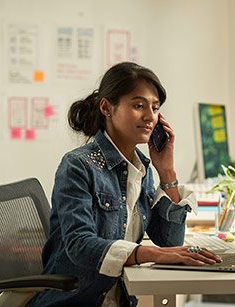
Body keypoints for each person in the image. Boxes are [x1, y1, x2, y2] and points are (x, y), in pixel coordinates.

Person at [31, 62, 222, 307]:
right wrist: (150, 254)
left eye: (155, 108)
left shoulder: (141, 169)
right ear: (106, 107)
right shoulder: (78, 165)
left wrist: (166, 172)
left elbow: (169, 242)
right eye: (138, 105)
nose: (149, 116)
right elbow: (79, 244)